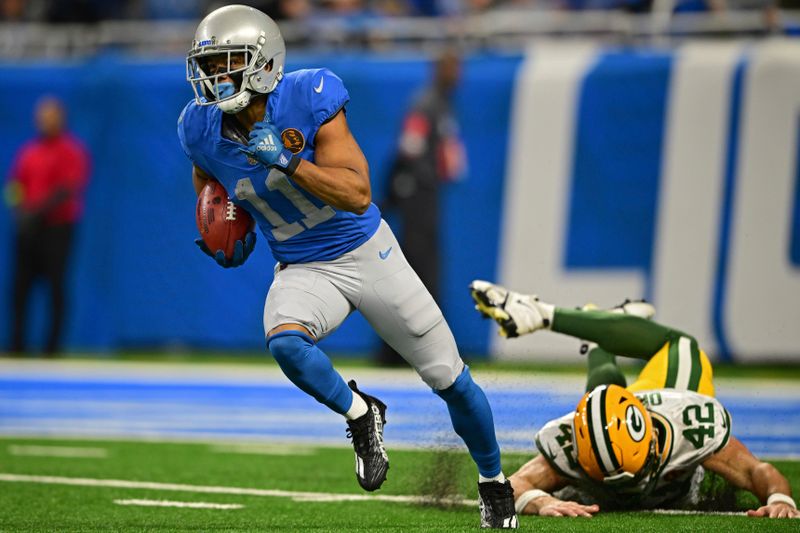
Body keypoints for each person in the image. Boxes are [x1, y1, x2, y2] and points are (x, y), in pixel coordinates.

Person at [177, 6, 517, 528]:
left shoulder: (308, 96)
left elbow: (358, 194)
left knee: (450, 379)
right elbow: (210, 183)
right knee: (284, 340)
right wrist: (227, 224)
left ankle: (494, 483)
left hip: (367, 252)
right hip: (302, 266)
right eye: (210, 64)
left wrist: (289, 161)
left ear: (263, 63)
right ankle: (362, 414)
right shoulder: (199, 127)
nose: (214, 77)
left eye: (227, 63)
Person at [467, 280, 800, 519]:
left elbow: (760, 471)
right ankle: (599, 333)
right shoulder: (573, 438)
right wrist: (542, 501)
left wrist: (779, 497)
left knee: (684, 346)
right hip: (622, 412)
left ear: (654, 440)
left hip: (666, 398)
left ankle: (561, 318)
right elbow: (516, 484)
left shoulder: (692, 425)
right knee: (599, 399)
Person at [378, 50, 466, 366]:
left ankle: (407, 348)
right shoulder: (426, 104)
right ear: (438, 69)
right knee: (418, 270)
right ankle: (396, 350)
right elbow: (408, 148)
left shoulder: (440, 104)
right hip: (417, 196)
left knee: (423, 271)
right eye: (452, 67)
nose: (458, 75)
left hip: (426, 195)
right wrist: (394, 192)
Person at [5, 96, 90, 356]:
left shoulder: (71, 150)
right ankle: (17, 345)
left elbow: (68, 188)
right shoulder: (28, 152)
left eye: (50, 116)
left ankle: (52, 349)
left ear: (60, 119)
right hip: (27, 229)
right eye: (42, 116)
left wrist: (37, 212)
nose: (45, 121)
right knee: (20, 288)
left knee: (55, 286)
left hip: (57, 227)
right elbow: (14, 186)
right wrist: (18, 210)